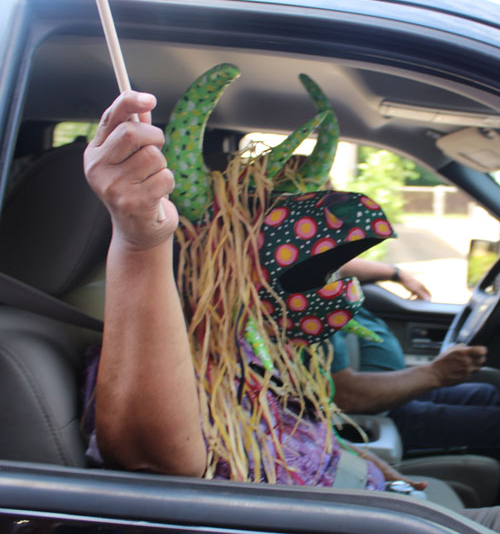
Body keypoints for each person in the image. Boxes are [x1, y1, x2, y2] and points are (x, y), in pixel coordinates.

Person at [83, 89, 500, 531]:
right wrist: (141, 239)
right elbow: (155, 457)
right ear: (235, 261)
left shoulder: (247, 347)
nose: (335, 269)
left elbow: (298, 427)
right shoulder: (158, 368)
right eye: (310, 249)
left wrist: (374, 471)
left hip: (373, 500)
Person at [330, 257, 500, 456]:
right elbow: (345, 396)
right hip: (371, 413)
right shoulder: (309, 310)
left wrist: (397, 274)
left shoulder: (325, 276)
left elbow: (338, 265)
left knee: (487, 393)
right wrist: (436, 373)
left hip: (387, 392)